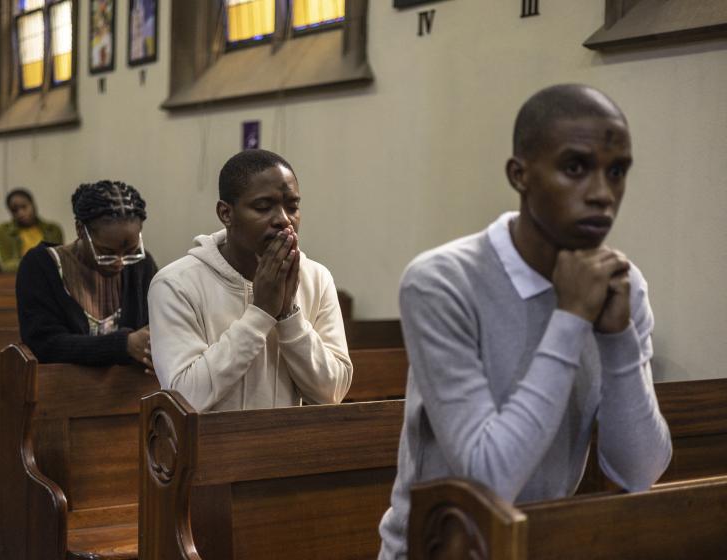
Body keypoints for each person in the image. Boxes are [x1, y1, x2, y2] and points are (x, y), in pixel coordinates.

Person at [378, 84, 673, 558]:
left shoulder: (622, 284)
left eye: (616, 172)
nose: (602, 194)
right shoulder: (440, 281)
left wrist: (618, 338)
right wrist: (571, 316)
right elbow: (488, 481)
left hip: (543, 546)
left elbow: (638, 473)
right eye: (575, 168)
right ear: (521, 175)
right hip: (441, 548)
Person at [148, 149, 352, 412]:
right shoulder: (175, 284)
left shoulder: (316, 278)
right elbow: (186, 398)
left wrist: (289, 315)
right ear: (226, 213)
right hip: (210, 449)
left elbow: (332, 393)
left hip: (290, 447)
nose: (283, 220)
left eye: (292, 207)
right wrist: (261, 312)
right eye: (263, 207)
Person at [16, 180, 156, 367]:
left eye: (130, 251)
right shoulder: (41, 266)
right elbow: (44, 344)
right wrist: (124, 345)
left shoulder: (142, 265)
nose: (119, 263)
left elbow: (155, 329)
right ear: (81, 230)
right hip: (60, 390)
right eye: (106, 253)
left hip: (130, 390)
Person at [0, 188, 64, 272]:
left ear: (33, 205)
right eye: (14, 210)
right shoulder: (3, 231)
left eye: (24, 207)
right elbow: (6, 265)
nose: (20, 213)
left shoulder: (53, 229)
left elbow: (59, 260)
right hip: (18, 278)